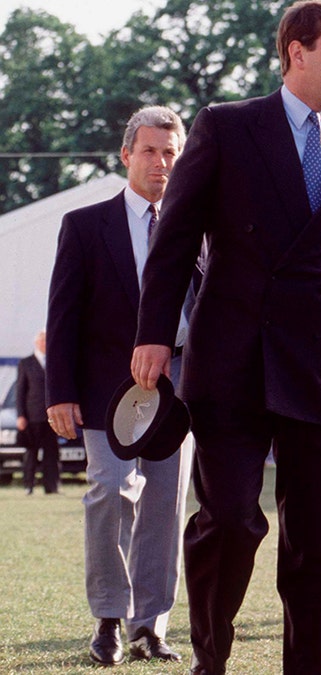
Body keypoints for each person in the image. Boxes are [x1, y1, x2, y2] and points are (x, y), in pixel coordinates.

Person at [128, 2, 321, 672]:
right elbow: (174, 239)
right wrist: (154, 334)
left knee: (319, 545)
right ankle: (211, 657)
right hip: (231, 362)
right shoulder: (227, 127)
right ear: (296, 52)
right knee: (228, 522)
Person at [44, 106, 192, 666]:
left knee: (163, 505)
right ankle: (108, 616)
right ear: (127, 155)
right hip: (107, 388)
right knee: (109, 490)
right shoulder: (85, 225)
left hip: (178, 389)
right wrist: (60, 390)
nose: (161, 162)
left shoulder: (197, 227)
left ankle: (148, 626)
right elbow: (63, 314)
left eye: (170, 152)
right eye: (150, 150)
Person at [15, 330, 58, 495]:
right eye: (42, 341)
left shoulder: (54, 362)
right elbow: (20, 391)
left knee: (51, 453)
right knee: (31, 453)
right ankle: (28, 485)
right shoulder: (26, 363)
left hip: (51, 417)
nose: (45, 344)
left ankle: (51, 487)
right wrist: (21, 415)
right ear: (37, 343)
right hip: (32, 416)